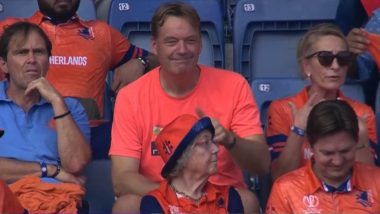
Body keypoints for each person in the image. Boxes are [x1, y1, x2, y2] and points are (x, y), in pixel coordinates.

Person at [109, 2, 270, 213]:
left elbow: (261, 165)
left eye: (190, 41)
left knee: (247, 201)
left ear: (201, 45)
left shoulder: (233, 85)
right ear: (155, 46)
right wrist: (181, 200)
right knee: (126, 207)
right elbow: (122, 179)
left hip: (220, 200)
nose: (182, 50)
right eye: (171, 42)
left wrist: (230, 140)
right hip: (160, 201)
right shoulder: (131, 96)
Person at [0, 0, 158, 121]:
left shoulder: (102, 33)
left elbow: (166, 60)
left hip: (86, 142)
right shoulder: (9, 30)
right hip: (25, 141)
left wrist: (142, 62)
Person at [266, 23, 377, 180]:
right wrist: (298, 130)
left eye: (343, 58)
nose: (335, 66)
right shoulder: (283, 109)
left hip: (349, 201)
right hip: (299, 200)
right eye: (325, 58)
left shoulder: (362, 113)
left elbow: (371, 187)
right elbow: (279, 177)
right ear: (306, 66)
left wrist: (361, 138)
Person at [0, 21, 91, 212]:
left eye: (39, 52)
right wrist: (51, 170)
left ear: (48, 62)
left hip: (57, 200)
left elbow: (75, 165)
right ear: (4, 64)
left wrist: (57, 102)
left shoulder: (71, 108)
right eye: (22, 52)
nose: (31, 59)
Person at [266, 100, 380, 213]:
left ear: (356, 143)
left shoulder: (377, 181)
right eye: (328, 153)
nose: (338, 161)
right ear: (311, 147)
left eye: (345, 151)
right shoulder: (285, 189)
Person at [140, 114, 244, 213]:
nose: (216, 149)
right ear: (182, 157)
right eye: (205, 143)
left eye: (212, 141)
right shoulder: (155, 203)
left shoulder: (229, 197)